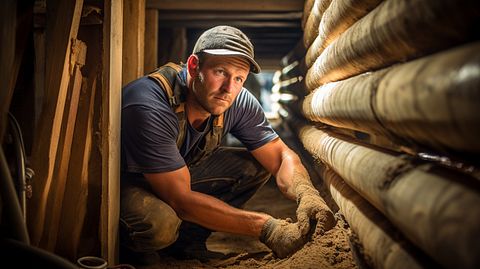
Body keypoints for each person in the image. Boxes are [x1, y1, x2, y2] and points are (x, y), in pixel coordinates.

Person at [120, 25, 334, 264]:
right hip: (129, 186)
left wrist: (306, 192)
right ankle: (134, 252)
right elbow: (180, 199)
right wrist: (267, 227)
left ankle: (186, 244)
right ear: (193, 66)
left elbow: (281, 155)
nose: (229, 88)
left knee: (254, 165)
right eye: (220, 72)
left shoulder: (238, 101)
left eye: (239, 78)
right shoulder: (149, 105)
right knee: (159, 224)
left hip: (173, 177)